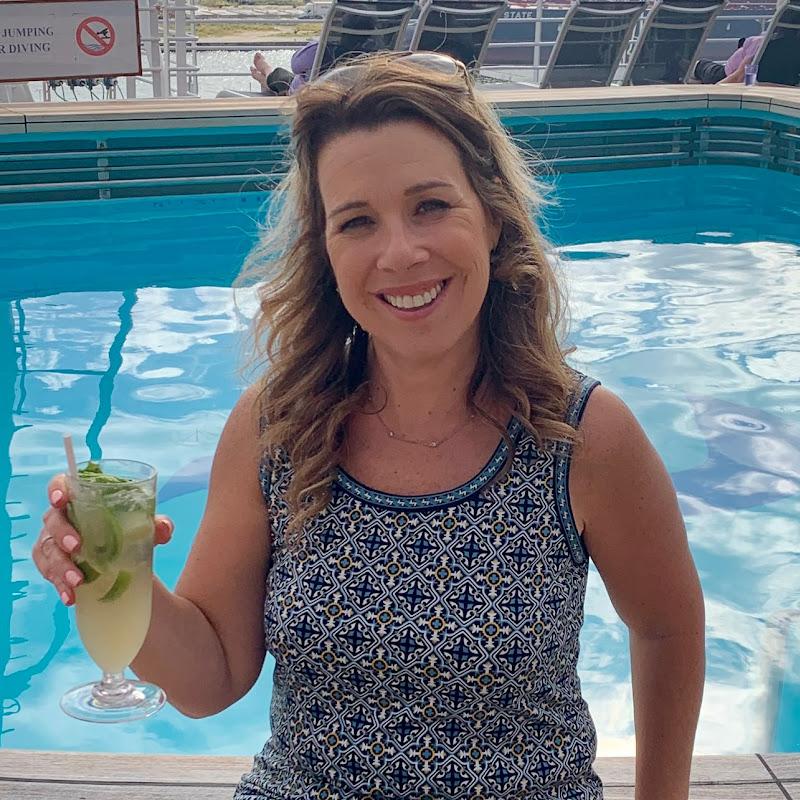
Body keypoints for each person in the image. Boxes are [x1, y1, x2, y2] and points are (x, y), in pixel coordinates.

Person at [33, 52, 706, 799]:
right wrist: (114, 577)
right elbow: (209, 680)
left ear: (491, 218)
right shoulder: (277, 426)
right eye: (357, 222)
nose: (401, 253)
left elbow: (667, 628)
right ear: (326, 251)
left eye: (431, 206)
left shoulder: (580, 435)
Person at [693, 30, 800, 86]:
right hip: (746, 80)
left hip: (724, 75)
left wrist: (713, 91)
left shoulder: (760, 43)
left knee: (695, 67)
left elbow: (738, 77)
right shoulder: (793, 46)